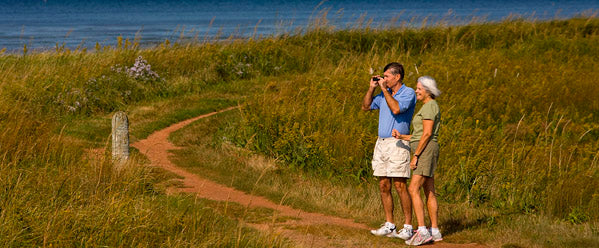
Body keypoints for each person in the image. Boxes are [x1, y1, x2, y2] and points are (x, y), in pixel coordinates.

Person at [362, 62, 416, 240]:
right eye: (383, 76)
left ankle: (408, 226)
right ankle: (390, 224)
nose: (383, 79)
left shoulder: (408, 93)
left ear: (397, 77)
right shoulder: (383, 93)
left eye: (386, 76)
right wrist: (371, 89)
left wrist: (385, 90)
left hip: (398, 143)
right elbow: (366, 107)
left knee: (400, 186)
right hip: (382, 143)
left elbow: (396, 108)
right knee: (383, 185)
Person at [392, 76, 442, 246]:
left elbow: (427, 134)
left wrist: (416, 156)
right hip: (428, 148)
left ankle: (422, 231)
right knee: (429, 189)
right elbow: (420, 134)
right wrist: (402, 136)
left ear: (428, 90)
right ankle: (434, 231)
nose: (416, 91)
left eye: (419, 88)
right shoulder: (430, 106)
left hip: (425, 150)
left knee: (413, 188)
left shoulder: (429, 107)